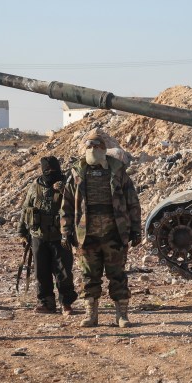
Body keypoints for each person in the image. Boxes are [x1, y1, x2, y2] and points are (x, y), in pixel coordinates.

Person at [60, 129, 141, 328]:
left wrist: (136, 230)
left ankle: (121, 315)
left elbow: (132, 203)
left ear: (104, 149)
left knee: (118, 275)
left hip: (115, 233)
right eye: (89, 146)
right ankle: (91, 314)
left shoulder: (118, 171)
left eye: (97, 146)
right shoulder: (77, 173)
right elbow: (67, 205)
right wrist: (65, 231)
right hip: (86, 235)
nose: (92, 149)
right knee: (89, 276)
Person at [17, 155, 77, 315]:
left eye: (54, 170)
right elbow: (25, 210)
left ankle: (66, 303)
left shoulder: (67, 186)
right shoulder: (34, 187)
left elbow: (77, 207)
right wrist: (22, 232)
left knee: (63, 271)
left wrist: (64, 191)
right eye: (48, 170)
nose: (51, 173)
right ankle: (46, 303)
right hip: (38, 235)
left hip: (60, 236)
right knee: (41, 272)